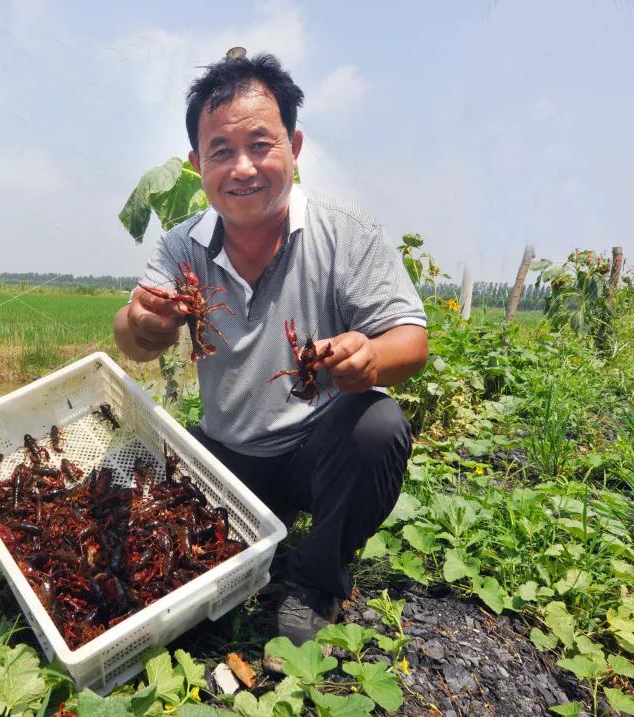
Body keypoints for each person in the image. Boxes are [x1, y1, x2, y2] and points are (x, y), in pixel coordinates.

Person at [114, 50, 429, 644]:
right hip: (227, 453)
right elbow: (134, 335)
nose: (243, 168)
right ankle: (254, 529)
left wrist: (371, 359)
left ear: (295, 146)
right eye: (221, 152)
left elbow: (412, 340)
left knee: (378, 427)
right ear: (195, 164)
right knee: (151, 540)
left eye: (261, 145)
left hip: (317, 448)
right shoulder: (183, 249)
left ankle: (315, 582)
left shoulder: (345, 232)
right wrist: (144, 325)